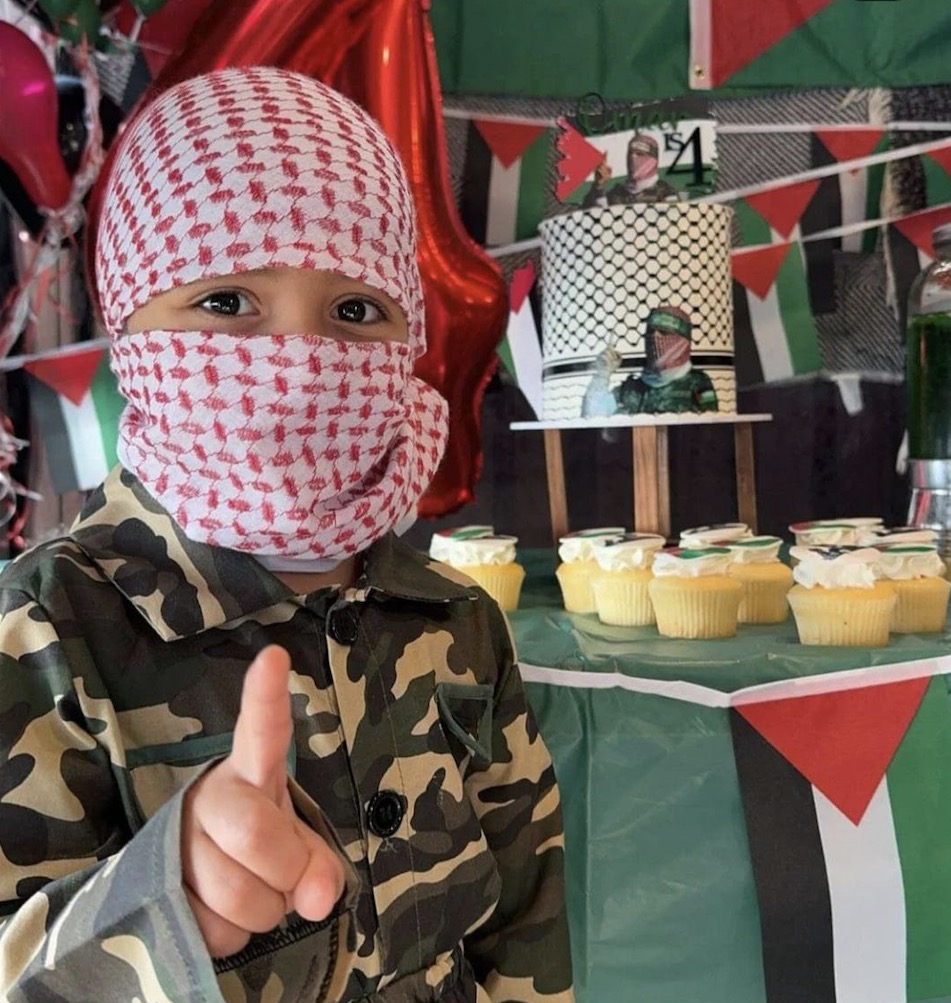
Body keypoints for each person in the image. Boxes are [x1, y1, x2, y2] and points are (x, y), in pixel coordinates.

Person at [0, 67, 573, 1003]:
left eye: (355, 310)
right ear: (128, 324)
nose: (300, 364)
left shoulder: (458, 623)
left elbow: (525, 931)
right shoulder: (43, 631)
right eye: (226, 301)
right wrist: (158, 905)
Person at [584, 305, 718, 416]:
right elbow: (592, 416)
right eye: (651, 331)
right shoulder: (630, 389)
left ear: (683, 340)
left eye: (664, 332)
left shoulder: (698, 384)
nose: (655, 337)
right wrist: (602, 374)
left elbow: (713, 429)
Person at [581, 132, 681, 208]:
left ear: (654, 161)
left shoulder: (666, 193)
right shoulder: (616, 194)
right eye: (630, 154)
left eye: (640, 154)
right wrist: (599, 186)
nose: (633, 158)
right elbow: (592, 216)